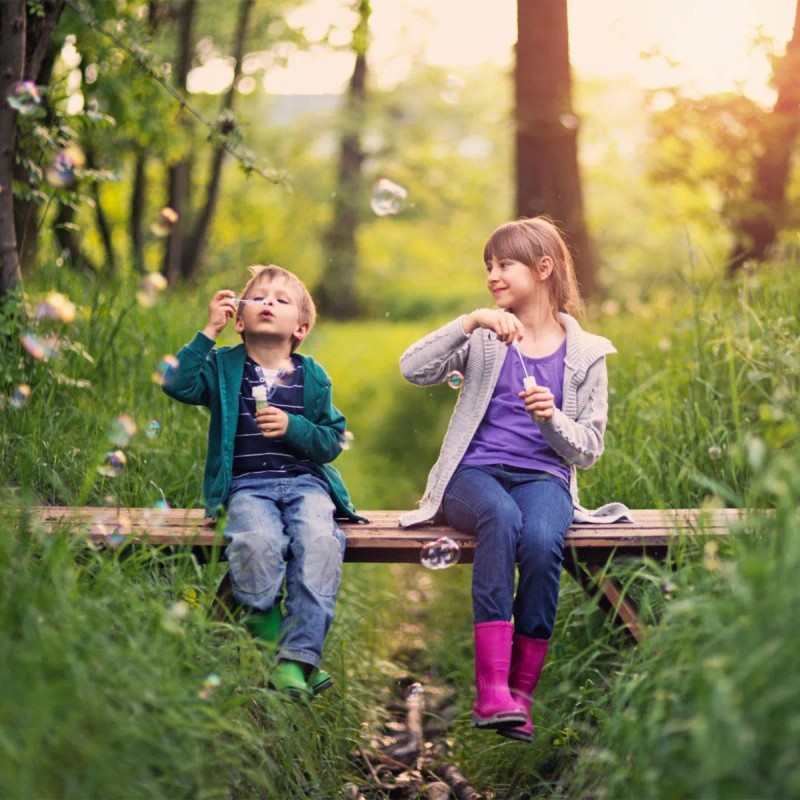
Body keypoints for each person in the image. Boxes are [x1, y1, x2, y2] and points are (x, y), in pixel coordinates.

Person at [398, 217, 630, 742]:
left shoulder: (587, 354)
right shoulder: (484, 337)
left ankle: (519, 700)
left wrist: (552, 418)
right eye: (488, 267)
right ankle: (490, 692)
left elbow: (588, 451)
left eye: (505, 265)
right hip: (471, 474)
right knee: (499, 517)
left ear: (543, 269)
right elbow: (412, 368)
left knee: (545, 538)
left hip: (544, 477)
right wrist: (468, 322)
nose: (493, 277)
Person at [163, 264, 364, 699]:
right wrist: (207, 332)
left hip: (306, 486)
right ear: (239, 319)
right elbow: (175, 383)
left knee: (321, 545)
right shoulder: (222, 367)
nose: (268, 302)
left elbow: (330, 441)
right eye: (258, 297)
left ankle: (299, 658)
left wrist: (293, 428)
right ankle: (280, 648)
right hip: (247, 487)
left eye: (281, 298)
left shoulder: (312, 376)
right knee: (256, 543)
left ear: (301, 327)